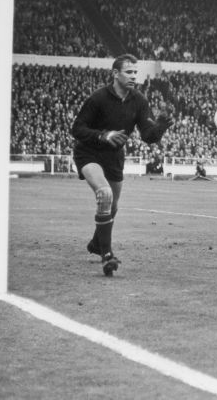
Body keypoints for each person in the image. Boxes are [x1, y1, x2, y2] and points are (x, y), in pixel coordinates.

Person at [71, 54, 174, 276]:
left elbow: (147, 136)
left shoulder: (139, 101)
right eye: (128, 72)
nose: (133, 76)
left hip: (114, 157)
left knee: (112, 207)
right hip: (89, 152)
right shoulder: (98, 98)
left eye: (135, 72)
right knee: (105, 195)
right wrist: (103, 135)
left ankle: (97, 243)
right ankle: (106, 255)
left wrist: (161, 126)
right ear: (115, 74)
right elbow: (77, 129)